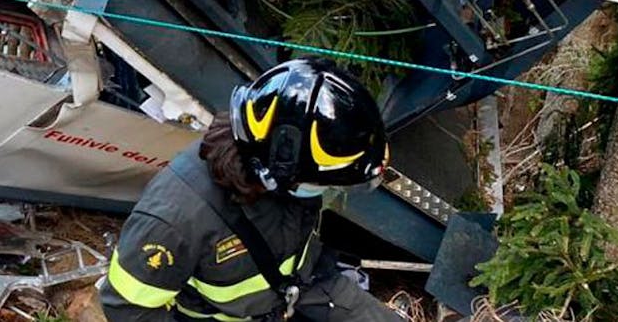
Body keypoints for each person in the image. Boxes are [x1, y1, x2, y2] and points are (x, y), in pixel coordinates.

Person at [99, 58, 402, 322]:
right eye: (324, 185)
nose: (326, 192)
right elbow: (127, 308)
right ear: (277, 172)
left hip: (299, 289)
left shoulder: (284, 177)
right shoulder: (175, 220)